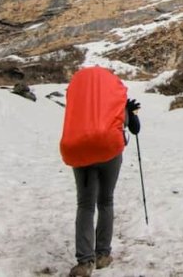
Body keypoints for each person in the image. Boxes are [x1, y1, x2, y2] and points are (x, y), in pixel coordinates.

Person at [59, 66, 141, 277]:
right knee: (105, 202)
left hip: (81, 151)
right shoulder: (115, 101)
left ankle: (85, 262)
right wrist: (131, 112)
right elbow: (134, 128)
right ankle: (103, 254)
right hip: (110, 153)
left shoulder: (80, 101)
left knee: (85, 205)